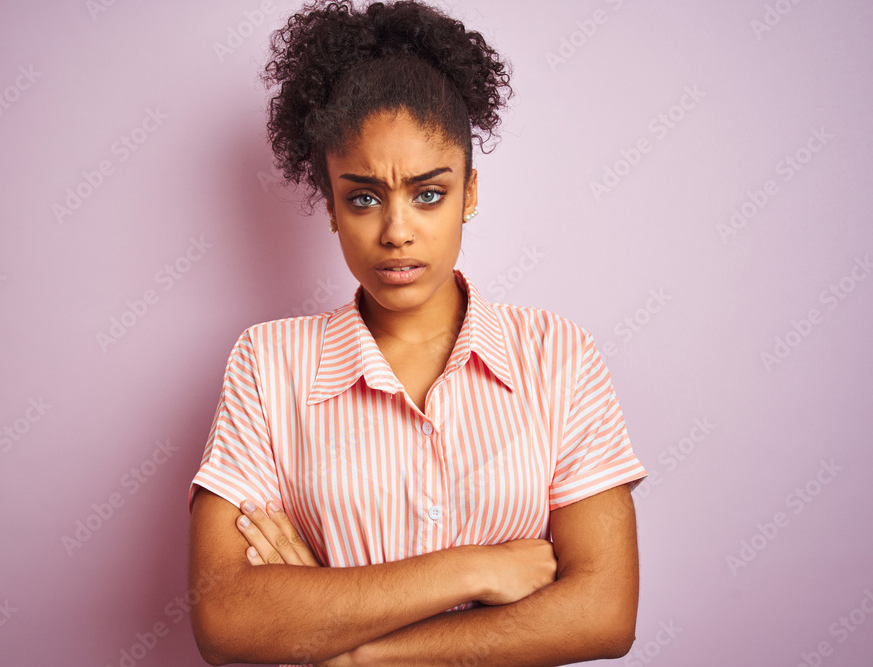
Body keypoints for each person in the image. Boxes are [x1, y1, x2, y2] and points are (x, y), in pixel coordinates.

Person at [187, 1, 647, 665]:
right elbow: (226, 617)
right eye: (364, 196)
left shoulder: (557, 355)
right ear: (331, 205)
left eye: (428, 193)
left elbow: (605, 612)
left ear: (470, 193)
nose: (396, 230)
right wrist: (474, 569)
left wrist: (354, 650)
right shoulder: (269, 363)